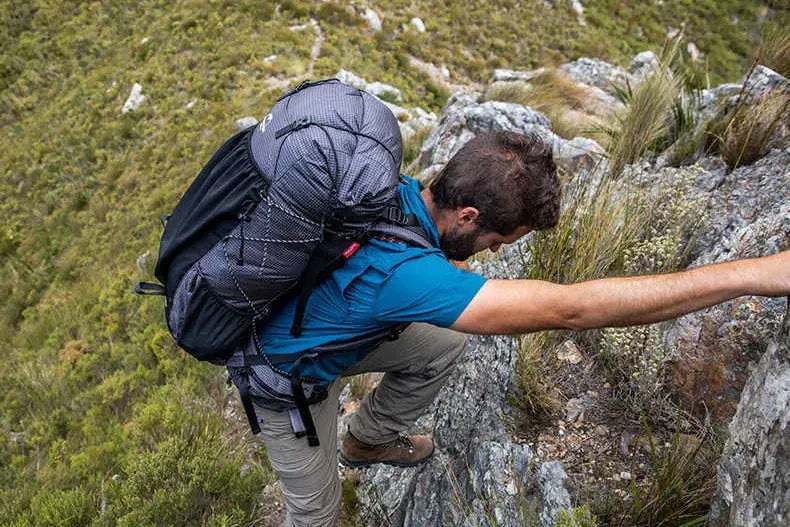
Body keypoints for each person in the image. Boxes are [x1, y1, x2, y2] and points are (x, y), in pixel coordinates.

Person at [249, 131, 789, 526]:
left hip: (316, 324)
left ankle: (365, 442)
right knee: (315, 513)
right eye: (498, 241)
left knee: (442, 342)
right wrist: (748, 275)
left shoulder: (394, 191)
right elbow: (572, 310)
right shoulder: (407, 276)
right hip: (287, 377)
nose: (491, 253)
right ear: (468, 216)